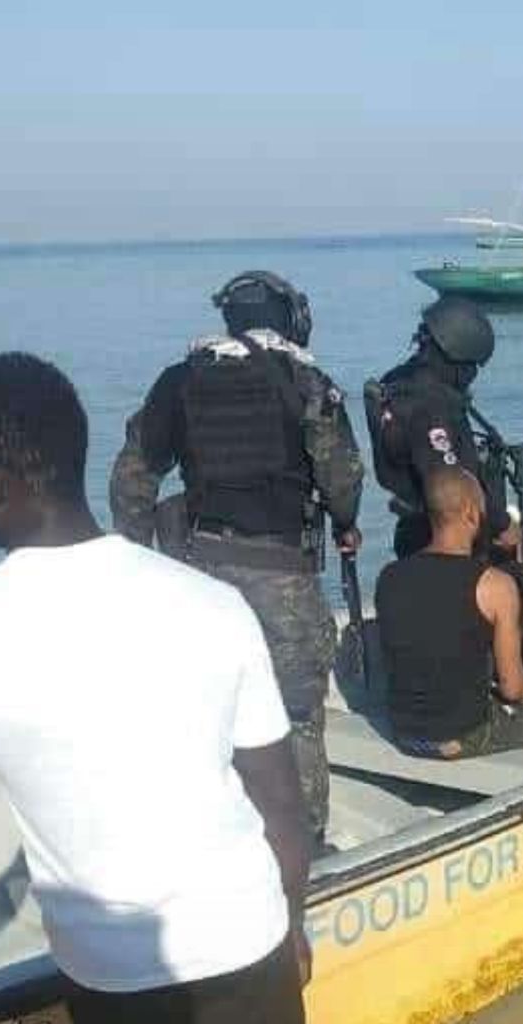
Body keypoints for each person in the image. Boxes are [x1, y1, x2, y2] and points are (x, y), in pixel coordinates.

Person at [0, 353, 314, 1024]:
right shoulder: (208, 603)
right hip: (235, 937)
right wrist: (290, 922)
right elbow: (281, 806)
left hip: (98, 959)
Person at [109, 270, 364, 843]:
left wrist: (137, 561)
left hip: (196, 574)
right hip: (281, 576)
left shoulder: (180, 381)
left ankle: (206, 834)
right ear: (289, 317)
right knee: (296, 713)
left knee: (204, 709)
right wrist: (346, 523)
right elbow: (342, 479)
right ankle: (303, 845)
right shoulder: (305, 382)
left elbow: (132, 478)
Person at [375, 466, 523, 758]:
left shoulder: (389, 577)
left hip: (404, 733)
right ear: (471, 512)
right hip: (460, 738)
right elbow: (512, 688)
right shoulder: (494, 585)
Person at [364, 295, 519, 559]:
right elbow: (448, 483)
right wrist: (502, 525)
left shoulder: (398, 382)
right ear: (457, 357)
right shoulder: (428, 404)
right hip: (445, 538)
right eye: (471, 366)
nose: (472, 375)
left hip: (416, 529)